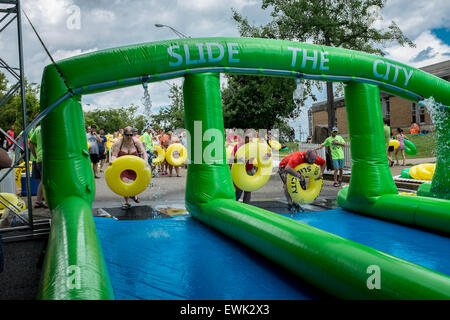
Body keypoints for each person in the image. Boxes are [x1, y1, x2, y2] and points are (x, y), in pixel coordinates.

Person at [111, 126, 148, 209]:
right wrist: (112, 161)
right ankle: (127, 202)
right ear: (123, 134)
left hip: (135, 166)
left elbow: (144, 153)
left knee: (136, 184)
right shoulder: (118, 143)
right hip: (123, 167)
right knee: (125, 183)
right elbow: (114, 155)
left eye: (131, 135)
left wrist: (145, 161)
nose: (129, 137)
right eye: (127, 135)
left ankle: (133, 195)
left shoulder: (137, 142)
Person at [29, 124, 47, 208]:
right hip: (48, 158)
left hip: (39, 158)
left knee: (43, 180)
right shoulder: (50, 125)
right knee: (46, 181)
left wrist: (35, 155)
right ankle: (45, 201)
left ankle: (38, 201)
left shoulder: (38, 129)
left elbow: (31, 142)